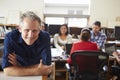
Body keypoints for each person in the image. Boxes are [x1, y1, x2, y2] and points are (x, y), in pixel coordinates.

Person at [2, 11, 52, 76]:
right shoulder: (10, 37)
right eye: (27, 30)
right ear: (20, 28)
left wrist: (18, 66)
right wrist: (37, 70)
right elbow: (7, 71)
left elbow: (46, 67)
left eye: (34, 31)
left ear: (40, 30)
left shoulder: (45, 37)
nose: (30, 35)